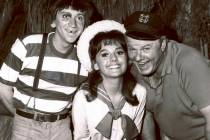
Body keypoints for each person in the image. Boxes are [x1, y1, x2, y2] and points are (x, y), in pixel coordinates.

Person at [0, 0, 102, 140]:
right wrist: (22, 118)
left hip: (61, 127)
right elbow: (3, 87)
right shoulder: (28, 44)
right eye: (66, 16)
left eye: (79, 17)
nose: (73, 24)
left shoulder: (84, 57)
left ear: (84, 25)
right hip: (25, 126)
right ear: (54, 21)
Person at [124, 11, 210, 140]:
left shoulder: (189, 62)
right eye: (132, 49)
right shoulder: (134, 72)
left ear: (163, 44)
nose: (138, 57)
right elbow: (145, 113)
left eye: (146, 49)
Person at [72, 20, 146, 140]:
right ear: (95, 64)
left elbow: (134, 135)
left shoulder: (139, 93)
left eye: (119, 52)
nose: (114, 59)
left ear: (127, 59)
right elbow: (81, 137)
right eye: (105, 54)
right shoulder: (83, 97)